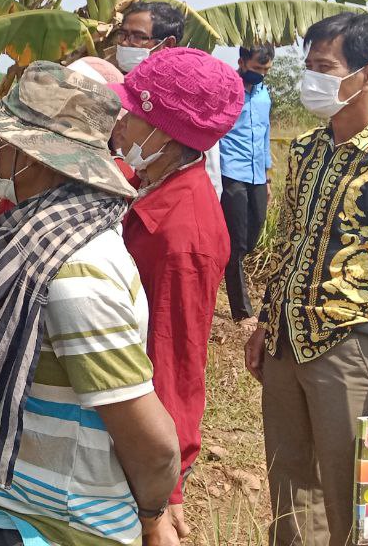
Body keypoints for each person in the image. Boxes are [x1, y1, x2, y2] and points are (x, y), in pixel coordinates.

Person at [0, 62, 180, 546]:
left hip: (60, 526)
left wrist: (155, 516)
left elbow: (150, 442)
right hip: (13, 502)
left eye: (1, 141)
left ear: (30, 157)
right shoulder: (41, 239)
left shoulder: (77, 276)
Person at [246, 13, 368, 546]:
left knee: (365, 508)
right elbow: (290, 244)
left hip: (354, 352)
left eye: (323, 67)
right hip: (286, 344)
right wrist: (265, 323)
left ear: (367, 74)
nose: (310, 79)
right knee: (290, 497)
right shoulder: (307, 150)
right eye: (309, 66)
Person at [110, 47, 243, 541]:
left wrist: (165, 491)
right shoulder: (152, 185)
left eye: (134, 114)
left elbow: (173, 360)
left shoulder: (182, 234)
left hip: (137, 440)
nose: (120, 123)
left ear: (164, 133)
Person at [114, 0, 223, 197]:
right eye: (122, 34)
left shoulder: (185, 98)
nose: (124, 43)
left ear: (168, 44)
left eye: (137, 37)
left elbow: (209, 175)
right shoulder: (110, 81)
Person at [220, 44, 275, 325]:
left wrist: (266, 176)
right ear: (241, 62)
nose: (261, 75)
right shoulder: (227, 89)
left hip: (256, 174)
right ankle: (242, 312)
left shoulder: (265, 93)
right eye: (256, 69)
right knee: (237, 243)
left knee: (253, 234)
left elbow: (265, 134)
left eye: (266, 70)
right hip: (231, 172)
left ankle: (221, 271)